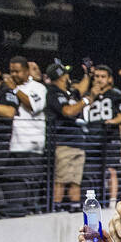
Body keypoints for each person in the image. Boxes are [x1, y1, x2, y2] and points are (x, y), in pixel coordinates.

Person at [5, 55, 47, 216]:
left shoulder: (38, 87)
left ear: (26, 71)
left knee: (30, 183)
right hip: (15, 143)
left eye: (17, 71)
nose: (14, 74)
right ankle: (17, 211)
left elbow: (33, 106)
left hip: (32, 145)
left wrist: (15, 90)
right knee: (14, 182)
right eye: (11, 71)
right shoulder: (8, 86)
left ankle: (31, 212)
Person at [44, 62, 87, 210]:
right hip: (63, 143)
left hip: (77, 143)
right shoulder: (53, 92)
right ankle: (56, 208)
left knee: (75, 181)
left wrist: (88, 74)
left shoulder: (67, 92)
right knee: (61, 180)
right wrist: (86, 101)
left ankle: (74, 209)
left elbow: (81, 88)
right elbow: (68, 111)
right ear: (63, 77)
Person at [81, 65, 121, 202]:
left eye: (103, 77)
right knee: (91, 171)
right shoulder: (89, 95)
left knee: (111, 170)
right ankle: (92, 200)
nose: (99, 80)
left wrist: (111, 121)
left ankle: (112, 201)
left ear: (109, 79)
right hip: (92, 138)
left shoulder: (116, 95)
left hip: (109, 137)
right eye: (97, 76)